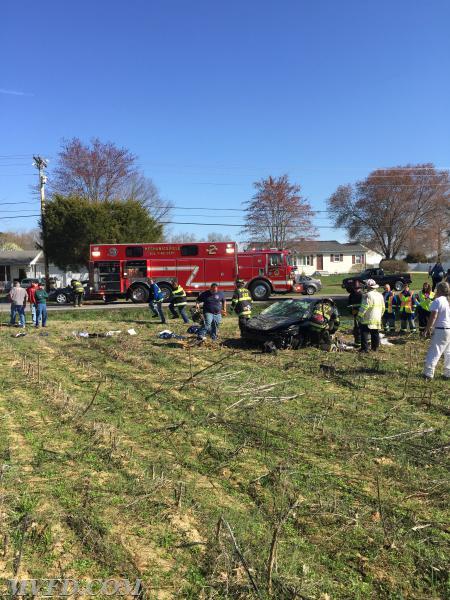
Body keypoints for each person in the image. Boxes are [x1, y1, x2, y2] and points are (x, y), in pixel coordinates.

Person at [423, 281, 450, 380]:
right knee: (448, 352)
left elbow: (433, 316)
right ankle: (448, 373)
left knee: (435, 351)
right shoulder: (448, 301)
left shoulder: (438, 301)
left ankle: (428, 374)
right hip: (449, 329)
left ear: (439, 290)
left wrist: (427, 328)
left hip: (441, 329)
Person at [358, 279, 385, 353]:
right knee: (375, 333)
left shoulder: (367, 295)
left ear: (368, 287)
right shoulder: (380, 295)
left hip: (368, 318)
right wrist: (380, 316)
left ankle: (364, 349)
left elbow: (364, 307)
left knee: (364, 333)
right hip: (377, 318)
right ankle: (375, 348)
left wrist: (359, 316)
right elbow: (383, 308)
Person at [347, 280, 363, 347]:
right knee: (356, 328)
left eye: (358, 288)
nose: (356, 289)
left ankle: (362, 342)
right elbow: (349, 304)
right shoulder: (351, 295)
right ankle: (357, 342)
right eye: (355, 288)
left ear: (360, 288)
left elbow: (364, 306)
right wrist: (351, 310)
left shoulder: (362, 295)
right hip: (355, 314)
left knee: (361, 328)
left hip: (362, 314)